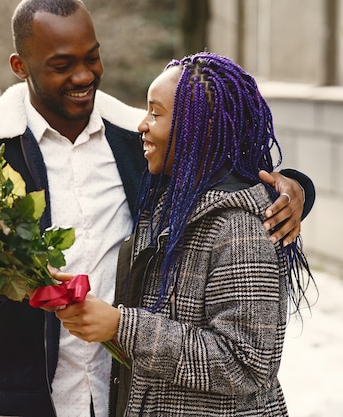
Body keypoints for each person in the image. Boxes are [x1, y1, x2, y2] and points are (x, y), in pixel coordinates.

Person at [0, 2, 314, 416]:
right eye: (62, 64)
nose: (83, 75)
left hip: (127, 390)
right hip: (28, 401)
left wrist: (294, 187)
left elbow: (218, 164)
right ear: (21, 66)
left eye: (92, 57)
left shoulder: (136, 141)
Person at [55, 52, 316, 417]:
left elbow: (247, 364)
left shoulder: (239, 228)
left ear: (199, 128)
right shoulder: (169, 200)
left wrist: (121, 325)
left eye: (156, 113)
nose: (142, 125)